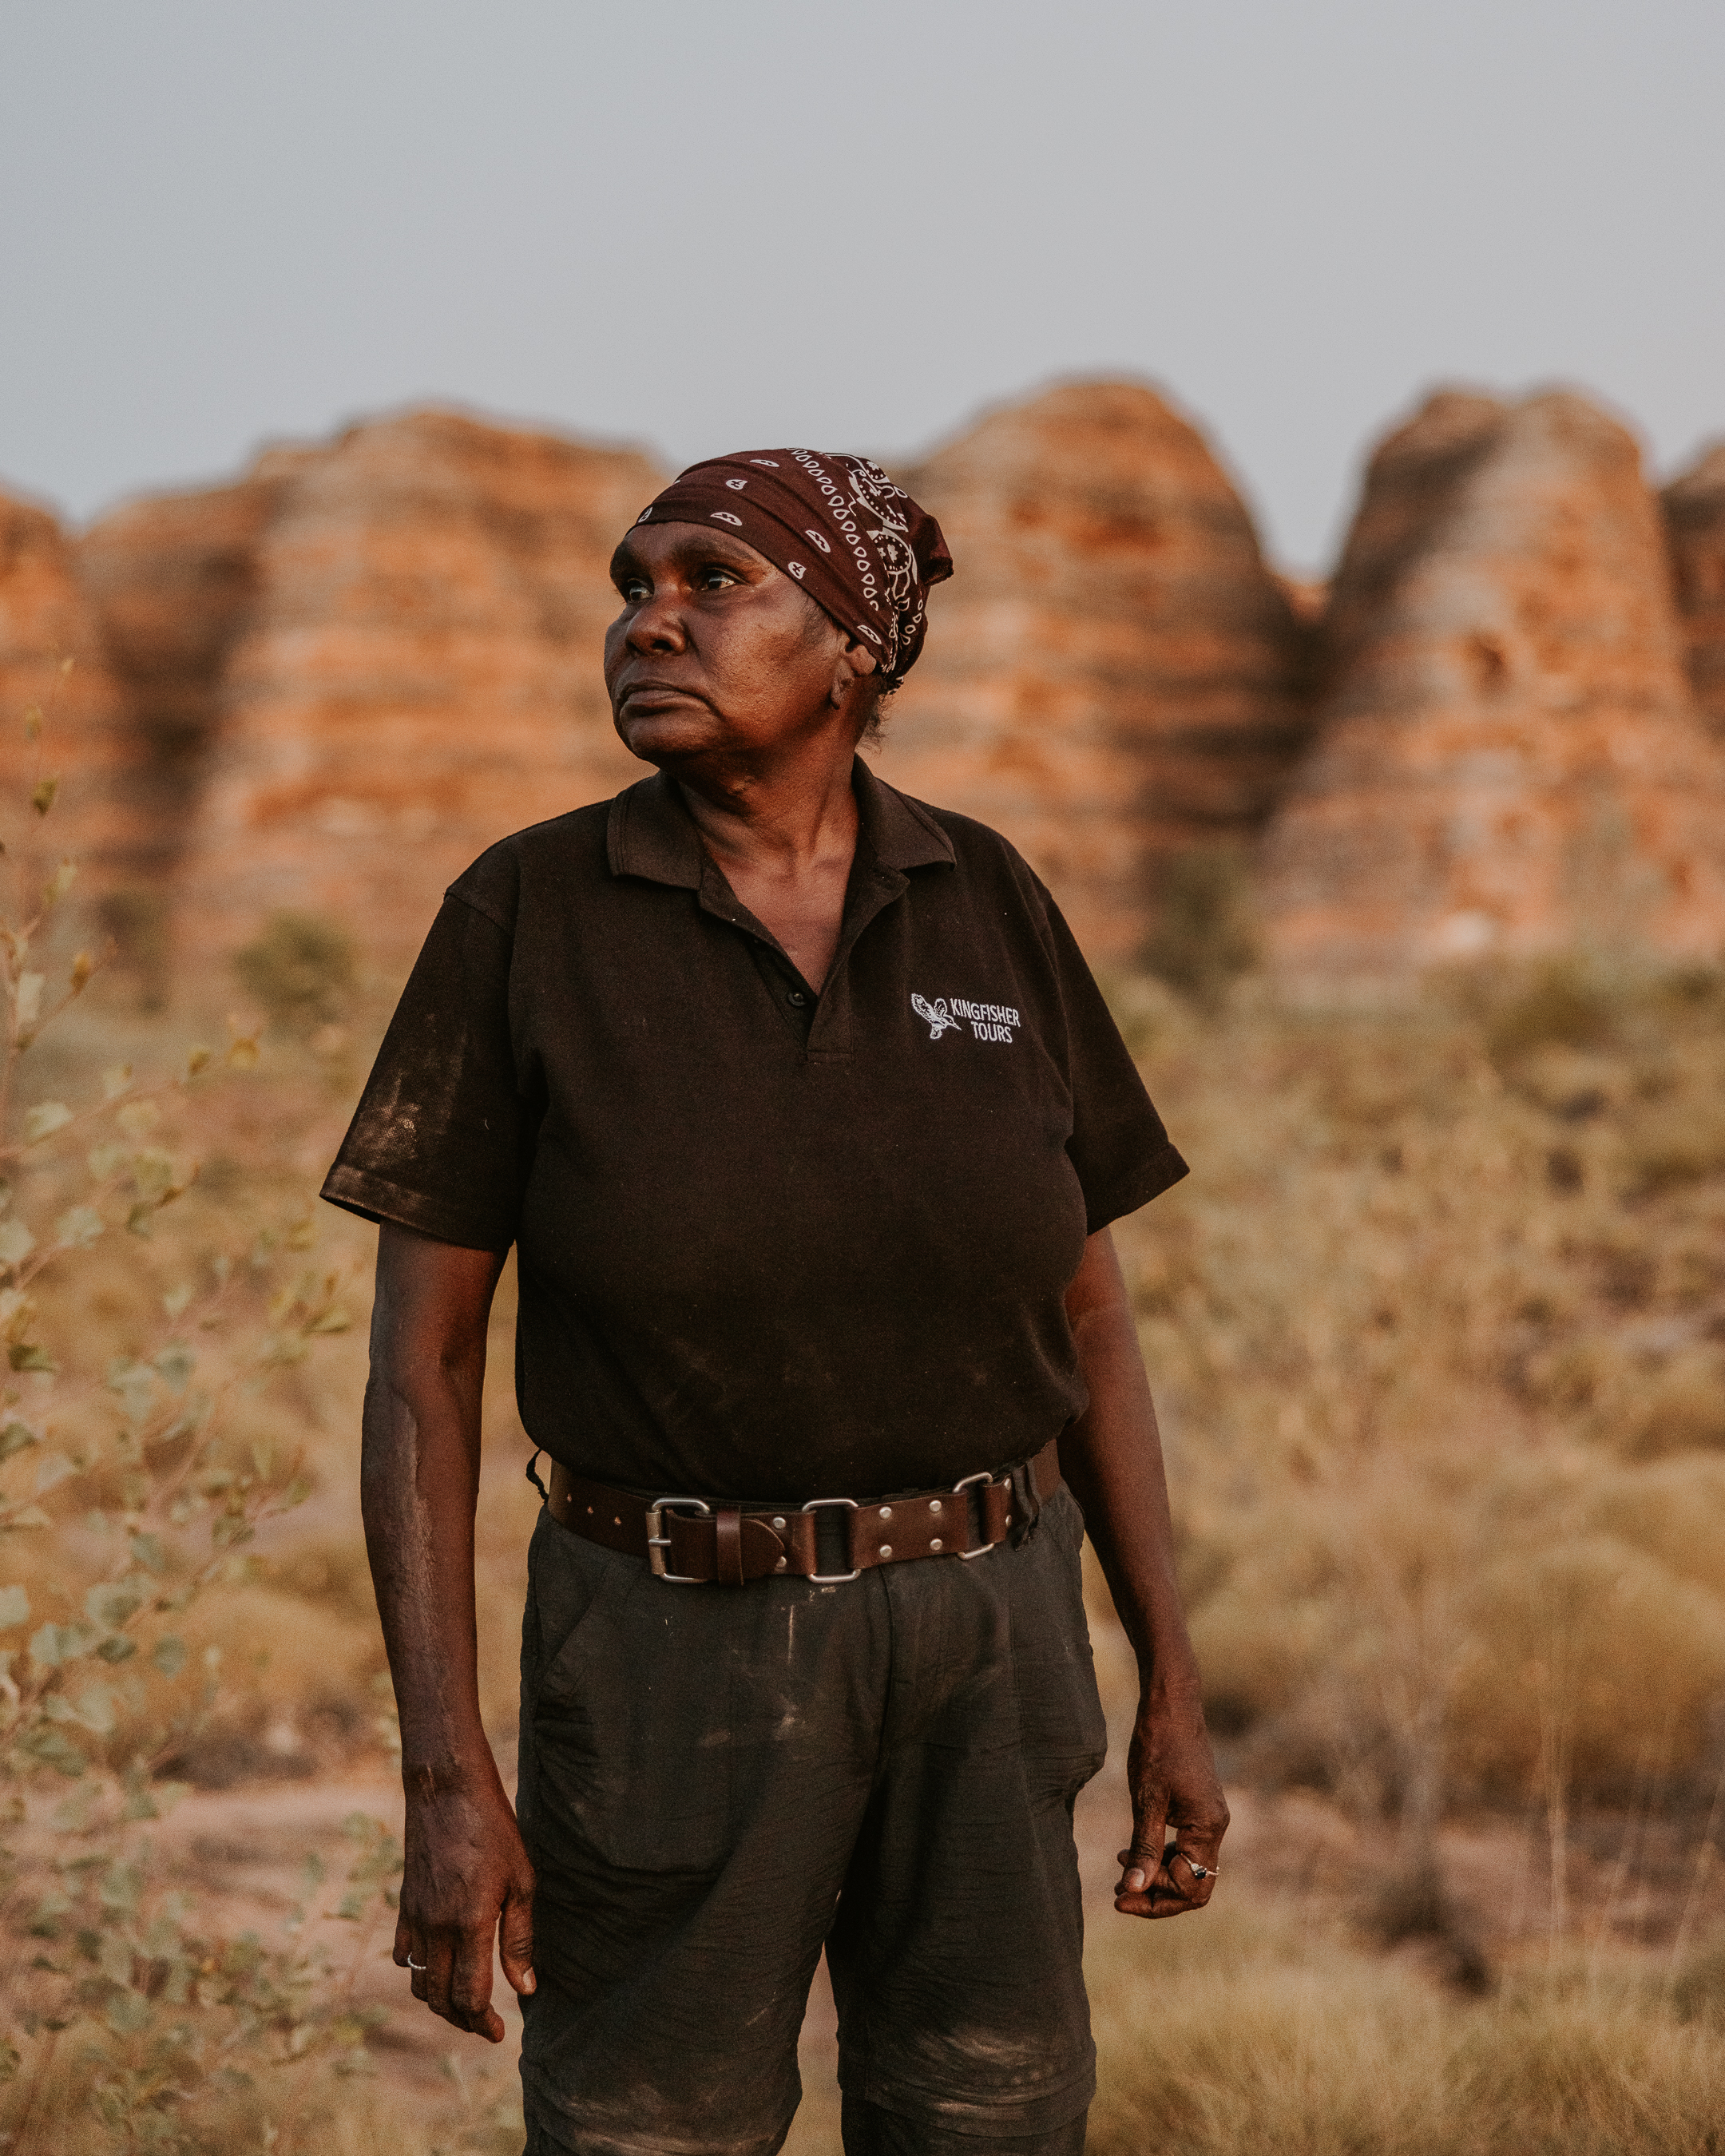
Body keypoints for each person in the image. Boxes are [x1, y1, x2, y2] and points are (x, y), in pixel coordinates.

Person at [323, 448, 1228, 2156]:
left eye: (713, 581)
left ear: (856, 650)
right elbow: (421, 1369)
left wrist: (1172, 1681)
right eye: (631, 586)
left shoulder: (987, 895)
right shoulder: (526, 911)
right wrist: (446, 1777)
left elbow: (1092, 1320)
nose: (648, 622)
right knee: (647, 2128)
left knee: (991, 2111)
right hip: (666, 1648)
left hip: (992, 1632)